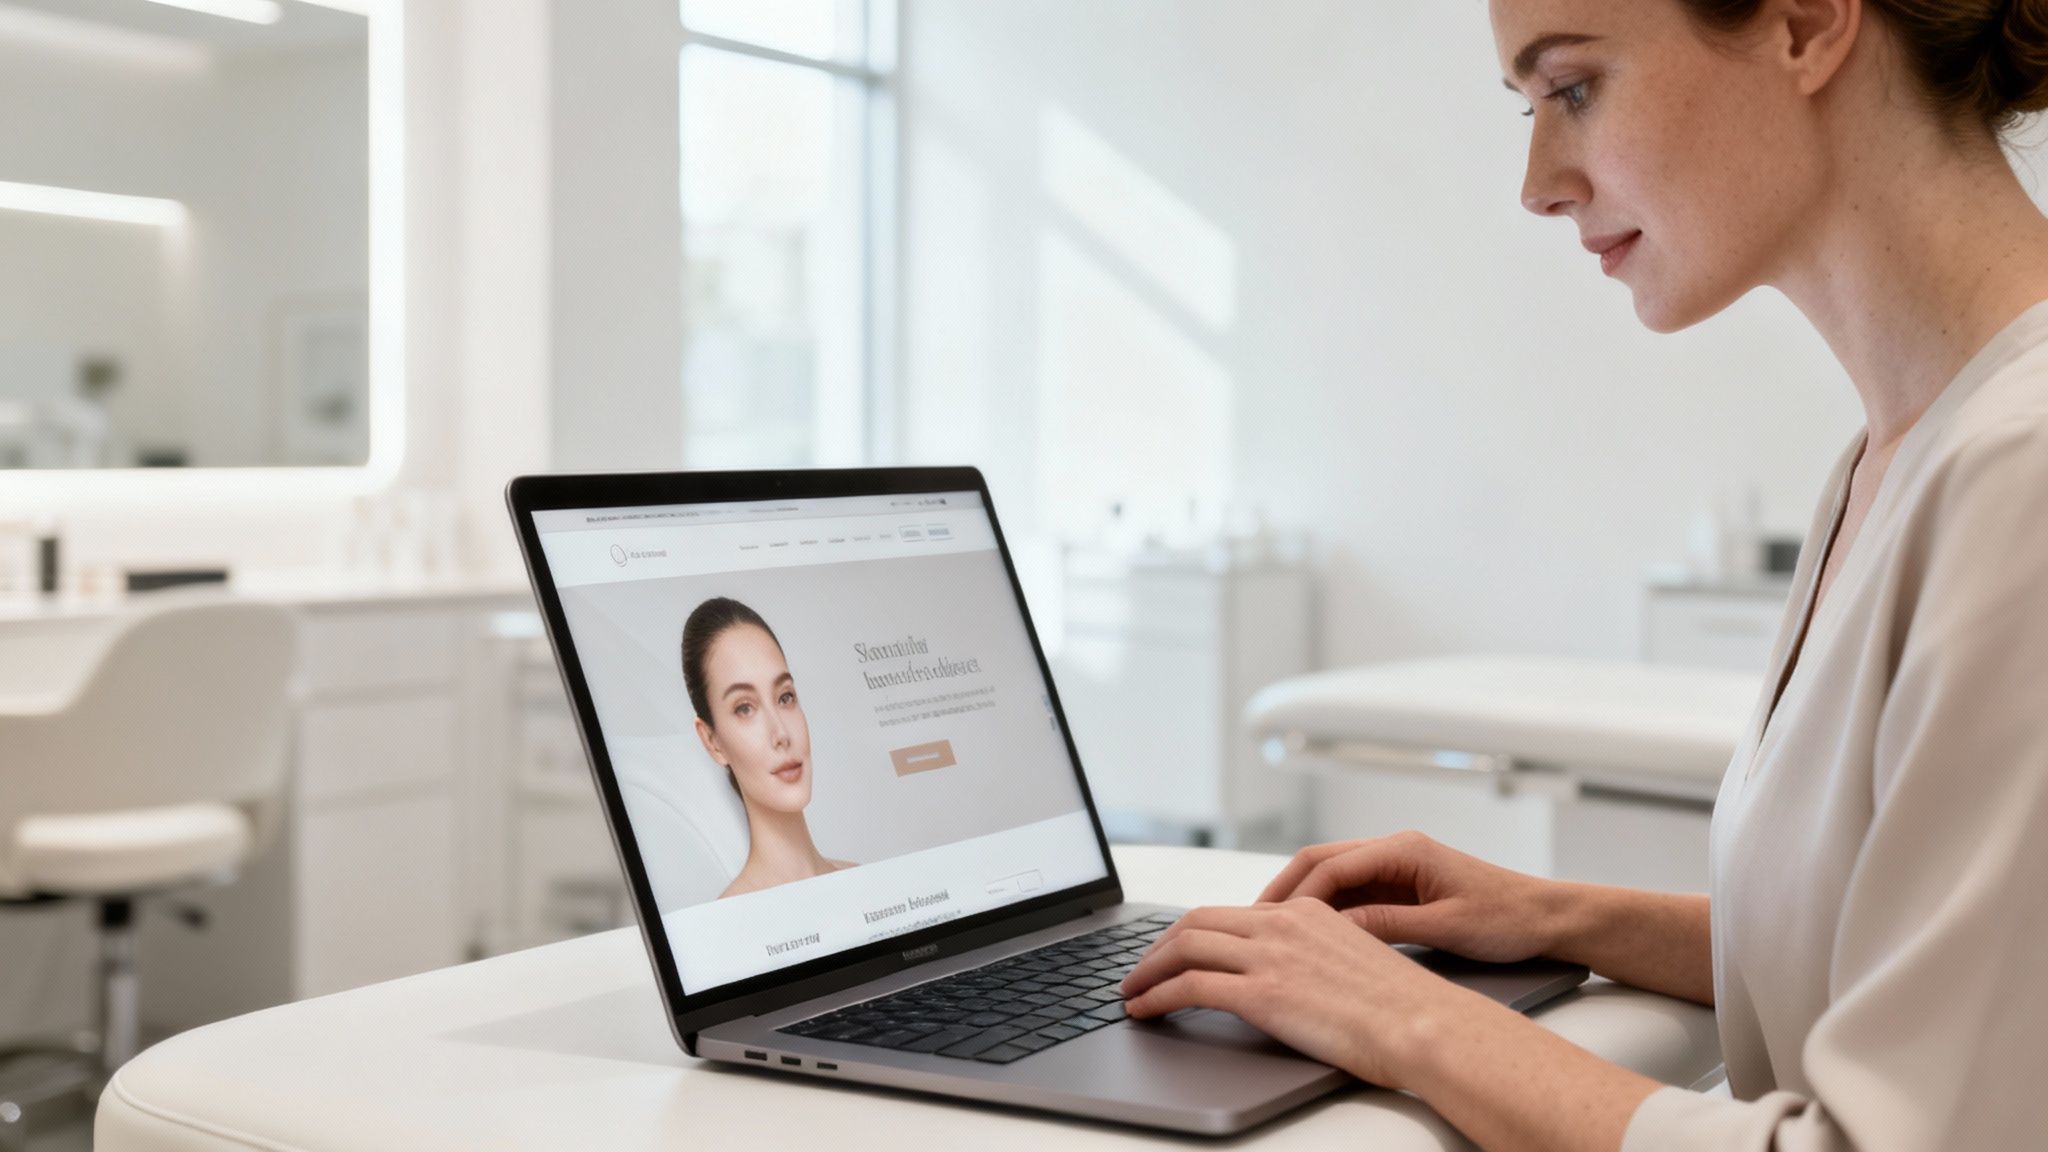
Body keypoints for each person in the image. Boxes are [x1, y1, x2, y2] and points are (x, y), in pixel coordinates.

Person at [1119, 1, 2048, 1148]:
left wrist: (1403, 1020)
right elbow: (1900, 954)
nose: (1537, 181)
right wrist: (1555, 914)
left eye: (1572, 90)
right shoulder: (1897, 452)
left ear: (1805, 24)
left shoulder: (2024, 475)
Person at [680, 597, 855, 898]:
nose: (781, 734)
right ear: (712, 741)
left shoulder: (864, 880)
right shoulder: (730, 920)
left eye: (785, 697)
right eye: (745, 708)